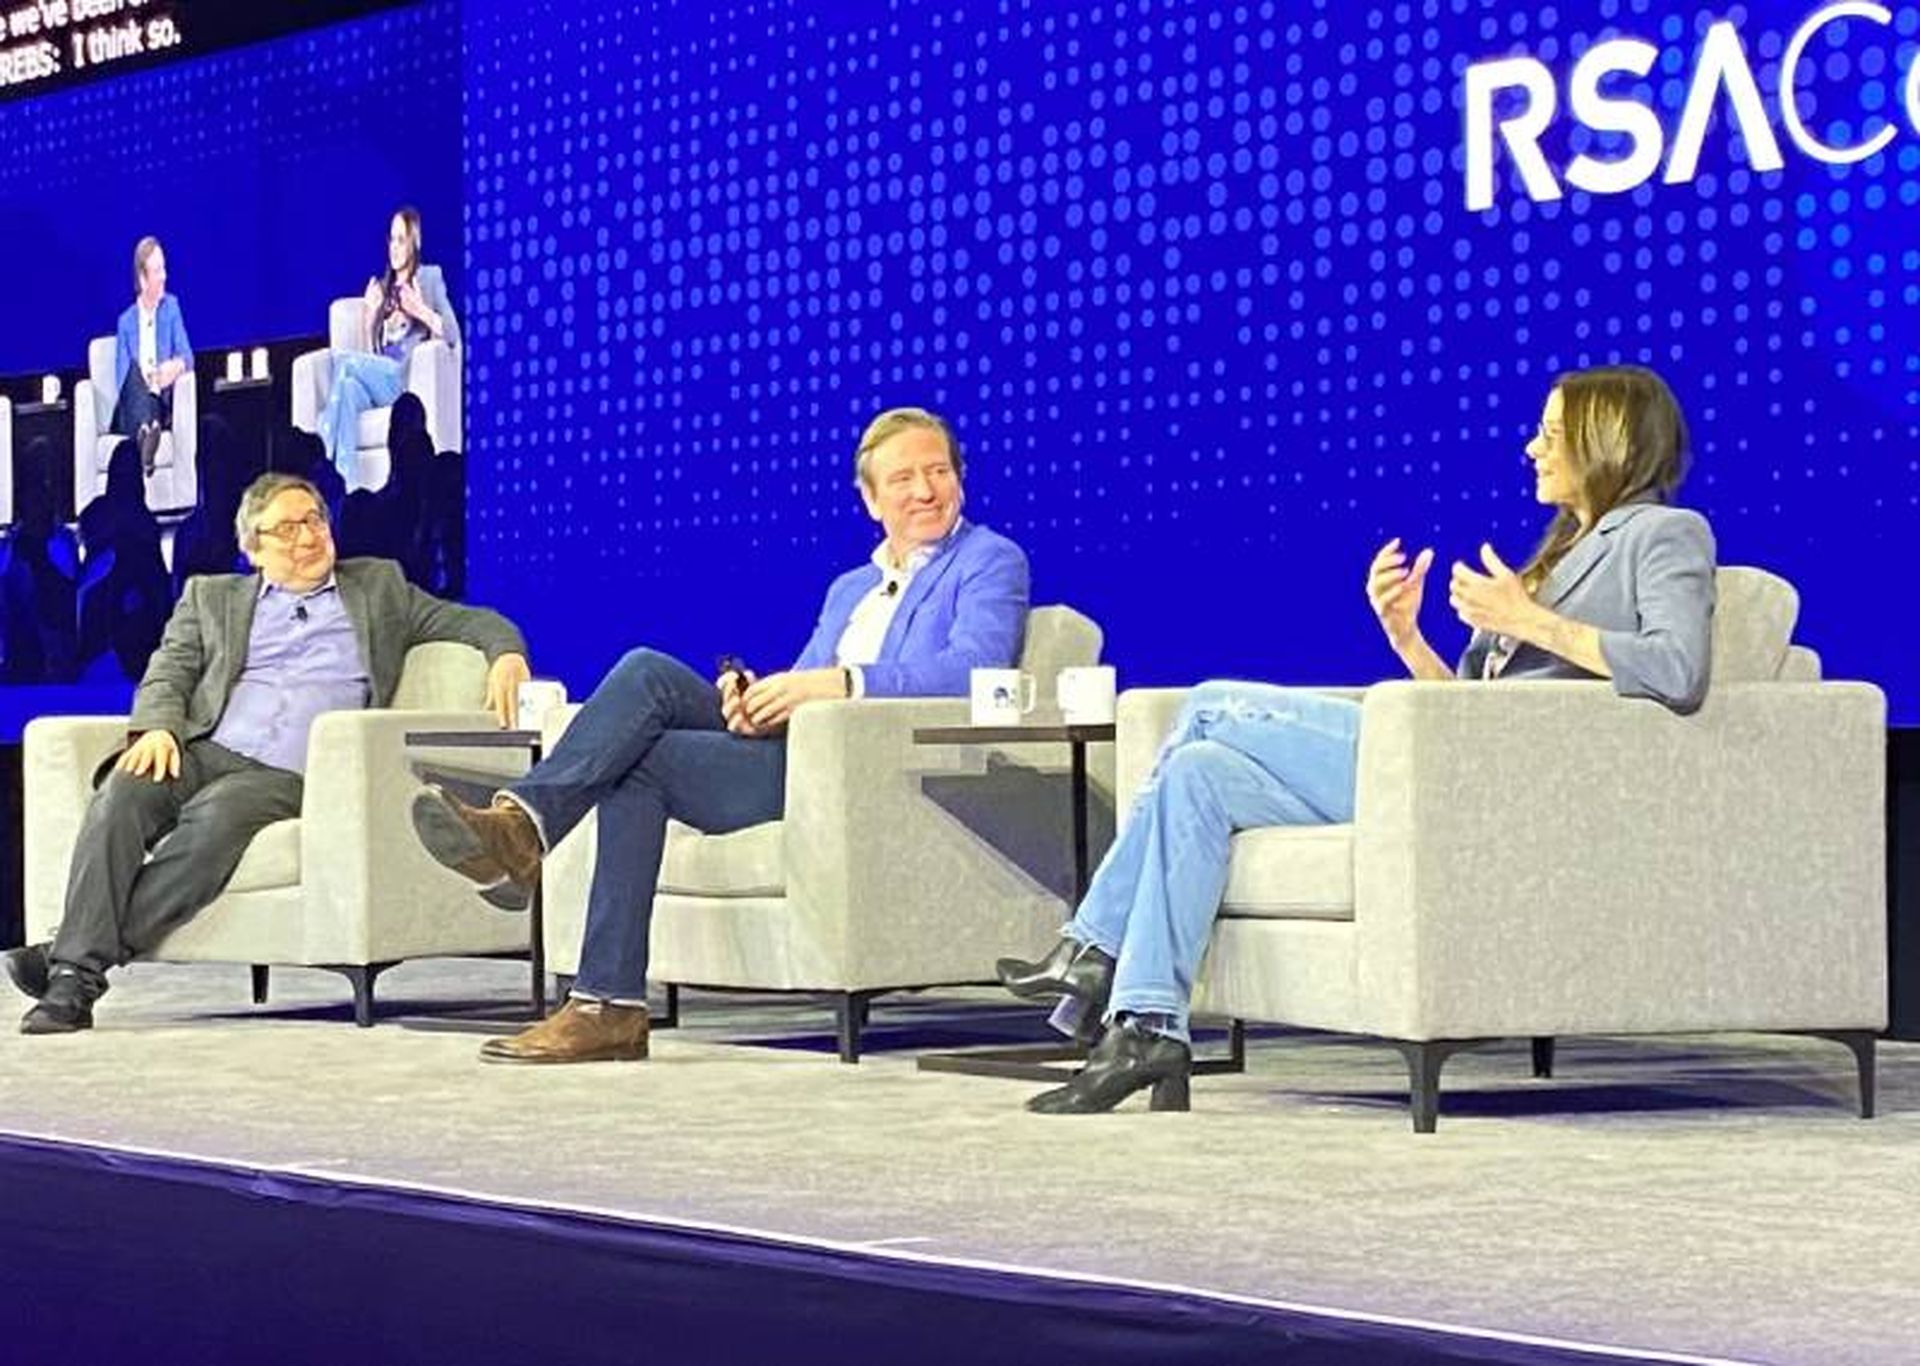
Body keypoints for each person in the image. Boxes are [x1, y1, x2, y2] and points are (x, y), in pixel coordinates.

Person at [996, 365, 1716, 1114]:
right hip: (1455, 762)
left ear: (1609, 442)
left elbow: (1678, 667)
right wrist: (1407, 639)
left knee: (1210, 707)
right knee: (1200, 774)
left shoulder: (1665, 534)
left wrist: (1529, 621)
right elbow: (1467, 710)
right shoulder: (1557, 552)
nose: (1531, 448)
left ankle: (1091, 947)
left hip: (1500, 788)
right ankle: (1146, 1025)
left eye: (1551, 434)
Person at [409, 407, 1030, 1065]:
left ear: (960, 480)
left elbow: (971, 669)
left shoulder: (989, 560)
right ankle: (536, 854)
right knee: (646, 672)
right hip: (799, 750)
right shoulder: (854, 587)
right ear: (872, 500)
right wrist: (756, 702)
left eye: (938, 472)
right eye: (903, 478)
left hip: (865, 772)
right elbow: (805, 681)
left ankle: (593, 976)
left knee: (635, 763)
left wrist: (837, 684)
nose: (924, 490)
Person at [2, 473, 531, 1034]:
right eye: (287, 528)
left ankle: (72, 975)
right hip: (204, 749)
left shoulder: (380, 588)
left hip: (285, 771)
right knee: (121, 796)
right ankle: (76, 956)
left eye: (315, 521)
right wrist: (156, 728)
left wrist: (505, 654)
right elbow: (168, 672)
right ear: (252, 549)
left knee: (212, 826)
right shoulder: (212, 597)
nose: (307, 537)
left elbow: (476, 622)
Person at [317, 207, 459, 488]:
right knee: (346, 388)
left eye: (401, 240)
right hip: (381, 382)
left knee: (344, 362)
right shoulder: (383, 289)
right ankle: (347, 491)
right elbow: (374, 357)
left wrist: (421, 310)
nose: (394, 248)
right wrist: (371, 320)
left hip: (405, 384)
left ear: (414, 242)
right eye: (391, 240)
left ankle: (320, 442)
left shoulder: (429, 278)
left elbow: (453, 334)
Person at [111, 236, 194, 477]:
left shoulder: (171, 308)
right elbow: (121, 381)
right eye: (157, 271)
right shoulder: (125, 322)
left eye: (164, 268)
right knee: (135, 376)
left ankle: (147, 438)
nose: (164, 276)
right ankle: (147, 438)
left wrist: (174, 368)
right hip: (131, 406)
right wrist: (144, 380)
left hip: (160, 401)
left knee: (151, 403)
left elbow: (188, 356)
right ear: (142, 278)